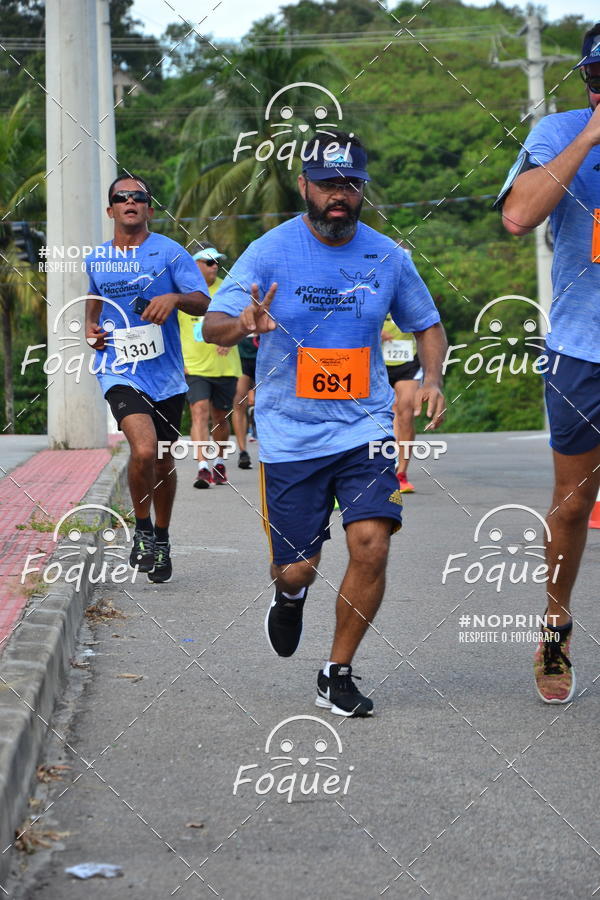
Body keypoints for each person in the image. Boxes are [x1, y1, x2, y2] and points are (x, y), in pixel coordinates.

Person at [204, 131, 446, 717]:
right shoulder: (268, 251)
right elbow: (212, 325)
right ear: (304, 186)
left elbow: (428, 325)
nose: (340, 195)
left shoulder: (388, 256)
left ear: (362, 190)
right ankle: (290, 596)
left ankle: (336, 672)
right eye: (328, 184)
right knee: (296, 568)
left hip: (365, 428)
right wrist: (243, 324)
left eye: (351, 185)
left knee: (371, 545)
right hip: (290, 433)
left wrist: (433, 378)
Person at [498, 23, 600, 704]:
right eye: (596, 77)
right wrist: (588, 138)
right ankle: (555, 625)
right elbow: (517, 217)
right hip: (582, 351)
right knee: (572, 506)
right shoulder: (558, 133)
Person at [85, 174, 209, 583]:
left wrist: (175, 297)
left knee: (163, 459)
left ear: (149, 209)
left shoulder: (171, 253)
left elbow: (203, 302)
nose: (130, 201)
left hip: (166, 375)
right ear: (111, 210)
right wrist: (90, 329)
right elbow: (94, 301)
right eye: (122, 197)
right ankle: (141, 528)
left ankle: (162, 535)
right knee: (143, 448)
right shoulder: (97, 259)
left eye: (138, 197)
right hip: (118, 369)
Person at [178, 247, 241, 488]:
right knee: (199, 412)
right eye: (209, 261)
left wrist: (231, 337)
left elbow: (245, 319)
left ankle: (220, 462)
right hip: (194, 367)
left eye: (217, 262)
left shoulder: (228, 289)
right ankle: (202, 468)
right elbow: (171, 328)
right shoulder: (184, 292)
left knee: (220, 418)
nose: (215, 266)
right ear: (195, 265)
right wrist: (179, 361)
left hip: (224, 367)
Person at [381, 313, 422, 492]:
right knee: (389, 412)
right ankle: (387, 464)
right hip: (377, 361)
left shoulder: (410, 298)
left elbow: (430, 328)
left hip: (408, 359)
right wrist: (375, 332)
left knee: (406, 411)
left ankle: (401, 474)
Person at [232, 334, 259, 469]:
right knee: (239, 403)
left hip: (264, 355)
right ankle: (243, 452)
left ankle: (271, 449)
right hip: (241, 355)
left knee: (267, 404)